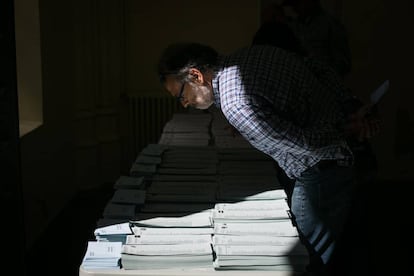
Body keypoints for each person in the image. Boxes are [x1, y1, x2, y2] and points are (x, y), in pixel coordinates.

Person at [157, 42, 379, 275]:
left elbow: (303, 144)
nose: (185, 104)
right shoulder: (250, 53)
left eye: (181, 95)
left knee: (303, 262)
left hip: (321, 170)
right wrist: (348, 104)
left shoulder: (236, 105)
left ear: (196, 75)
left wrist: (346, 129)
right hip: (332, 159)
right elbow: (316, 67)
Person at [281, 0, 352, 79]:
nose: (294, 9)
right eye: (293, 5)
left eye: (297, 4)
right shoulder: (294, 26)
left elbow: (343, 63)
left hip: (321, 85)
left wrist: (322, 72)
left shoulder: (331, 25)